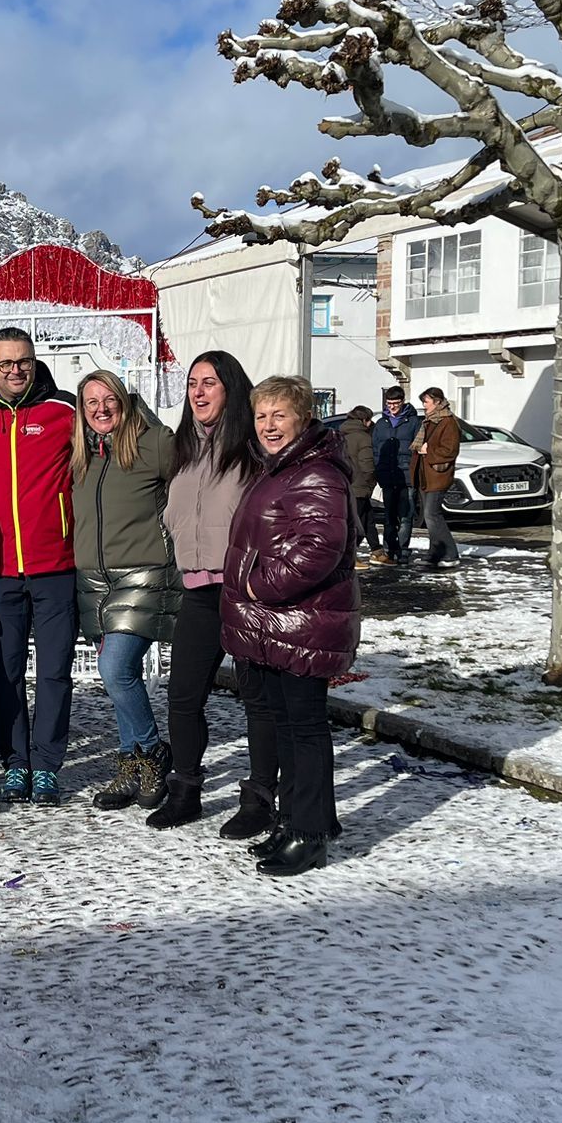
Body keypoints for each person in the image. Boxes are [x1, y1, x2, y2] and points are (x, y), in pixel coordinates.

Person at [221, 375, 359, 877]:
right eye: (261, 416)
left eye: (280, 415)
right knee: (286, 726)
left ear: (303, 418)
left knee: (305, 730)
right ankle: (292, 821)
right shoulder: (277, 469)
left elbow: (319, 549)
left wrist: (259, 587)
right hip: (277, 625)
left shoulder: (316, 473)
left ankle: (312, 832)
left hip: (303, 623)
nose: (268, 425)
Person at [151, 352, 261, 831]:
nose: (198, 392)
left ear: (231, 390)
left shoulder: (253, 448)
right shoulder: (184, 448)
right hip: (197, 591)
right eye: (193, 383)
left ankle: (260, 798)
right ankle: (186, 790)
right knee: (183, 694)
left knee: (258, 699)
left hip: (246, 594)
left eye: (210, 383)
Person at [0, 327, 77, 804]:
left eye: (24, 362)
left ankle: (47, 764)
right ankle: (15, 762)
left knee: (54, 670)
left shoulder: (64, 410)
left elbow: (121, 436)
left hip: (55, 563)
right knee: (7, 671)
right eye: (6, 363)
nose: (16, 371)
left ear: (35, 362)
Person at [72, 371, 180, 812]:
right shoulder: (81, 454)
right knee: (120, 679)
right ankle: (130, 765)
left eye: (109, 398)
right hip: (92, 580)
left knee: (116, 669)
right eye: (91, 401)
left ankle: (152, 752)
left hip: (142, 572)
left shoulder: (155, 443)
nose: (100, 408)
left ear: (125, 400)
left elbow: (195, 484)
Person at [411, 387, 462, 569]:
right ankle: (435, 553)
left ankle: (450, 553)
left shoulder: (447, 422)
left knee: (432, 515)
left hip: (438, 475)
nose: (424, 406)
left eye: (427, 402)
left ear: (438, 402)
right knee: (429, 516)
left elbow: (450, 450)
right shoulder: (429, 421)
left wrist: (427, 451)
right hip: (426, 476)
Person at [370, 386, 419, 565]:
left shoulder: (413, 422)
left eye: (395, 403)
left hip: (406, 475)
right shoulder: (381, 424)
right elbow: (375, 449)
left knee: (405, 516)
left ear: (402, 401)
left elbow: (417, 449)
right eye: (389, 404)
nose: (392, 407)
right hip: (387, 475)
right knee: (389, 516)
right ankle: (390, 549)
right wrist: (379, 469)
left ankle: (404, 550)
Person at [338, 405, 378, 567]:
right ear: (364, 420)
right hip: (360, 485)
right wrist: (371, 482)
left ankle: (376, 549)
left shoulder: (340, 434)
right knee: (357, 524)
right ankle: (349, 556)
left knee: (368, 519)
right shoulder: (363, 438)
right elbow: (367, 465)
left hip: (345, 483)